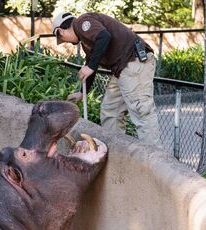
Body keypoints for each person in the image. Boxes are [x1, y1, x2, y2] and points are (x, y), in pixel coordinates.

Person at [52, 12, 160, 145]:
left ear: (60, 31)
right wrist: (82, 92)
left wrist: (90, 66)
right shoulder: (86, 39)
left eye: (63, 39)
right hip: (122, 68)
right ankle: (117, 151)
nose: (66, 43)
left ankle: (155, 159)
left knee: (141, 112)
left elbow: (104, 36)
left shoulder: (82, 23)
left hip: (134, 62)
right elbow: (92, 63)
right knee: (111, 110)